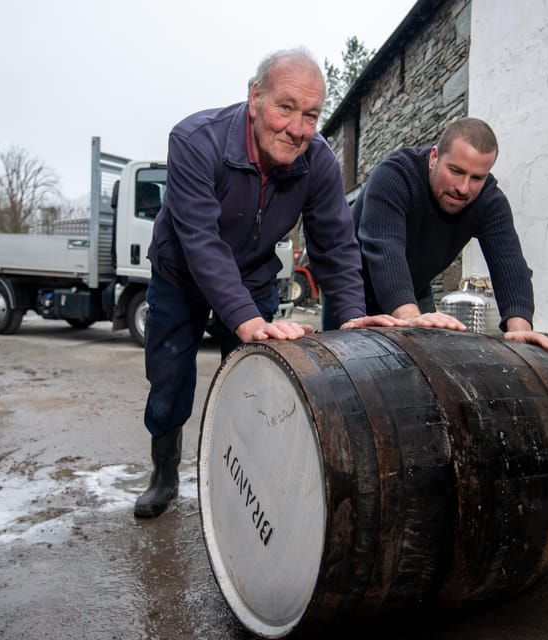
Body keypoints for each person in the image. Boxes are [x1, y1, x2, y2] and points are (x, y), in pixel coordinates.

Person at [135, 49, 402, 519]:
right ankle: (164, 473)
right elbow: (200, 240)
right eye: (286, 107)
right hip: (180, 276)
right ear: (255, 97)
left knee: (253, 383)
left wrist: (352, 317)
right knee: (170, 380)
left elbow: (337, 248)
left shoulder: (316, 161)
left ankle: (243, 478)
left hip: (254, 274)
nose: (298, 129)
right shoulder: (196, 140)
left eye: (311, 115)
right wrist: (247, 320)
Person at [324, 117, 548, 356]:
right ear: (434, 158)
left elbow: (509, 264)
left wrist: (520, 330)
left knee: (421, 365)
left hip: (412, 288)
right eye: (455, 171)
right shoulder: (394, 176)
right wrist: (410, 317)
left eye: (477, 178)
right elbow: (384, 249)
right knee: (342, 364)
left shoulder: (490, 202)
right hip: (352, 288)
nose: (463, 188)